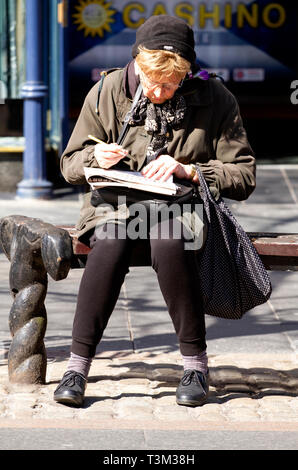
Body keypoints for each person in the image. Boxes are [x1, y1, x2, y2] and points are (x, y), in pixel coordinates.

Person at [54, 15, 256, 407]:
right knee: (110, 244)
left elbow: (244, 175)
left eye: (170, 84)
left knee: (169, 241)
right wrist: (95, 154)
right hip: (115, 206)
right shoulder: (109, 89)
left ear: (187, 74)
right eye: (152, 82)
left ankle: (195, 366)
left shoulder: (215, 97)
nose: (160, 92)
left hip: (182, 207)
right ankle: (77, 367)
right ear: (137, 65)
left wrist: (192, 170)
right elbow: (69, 163)